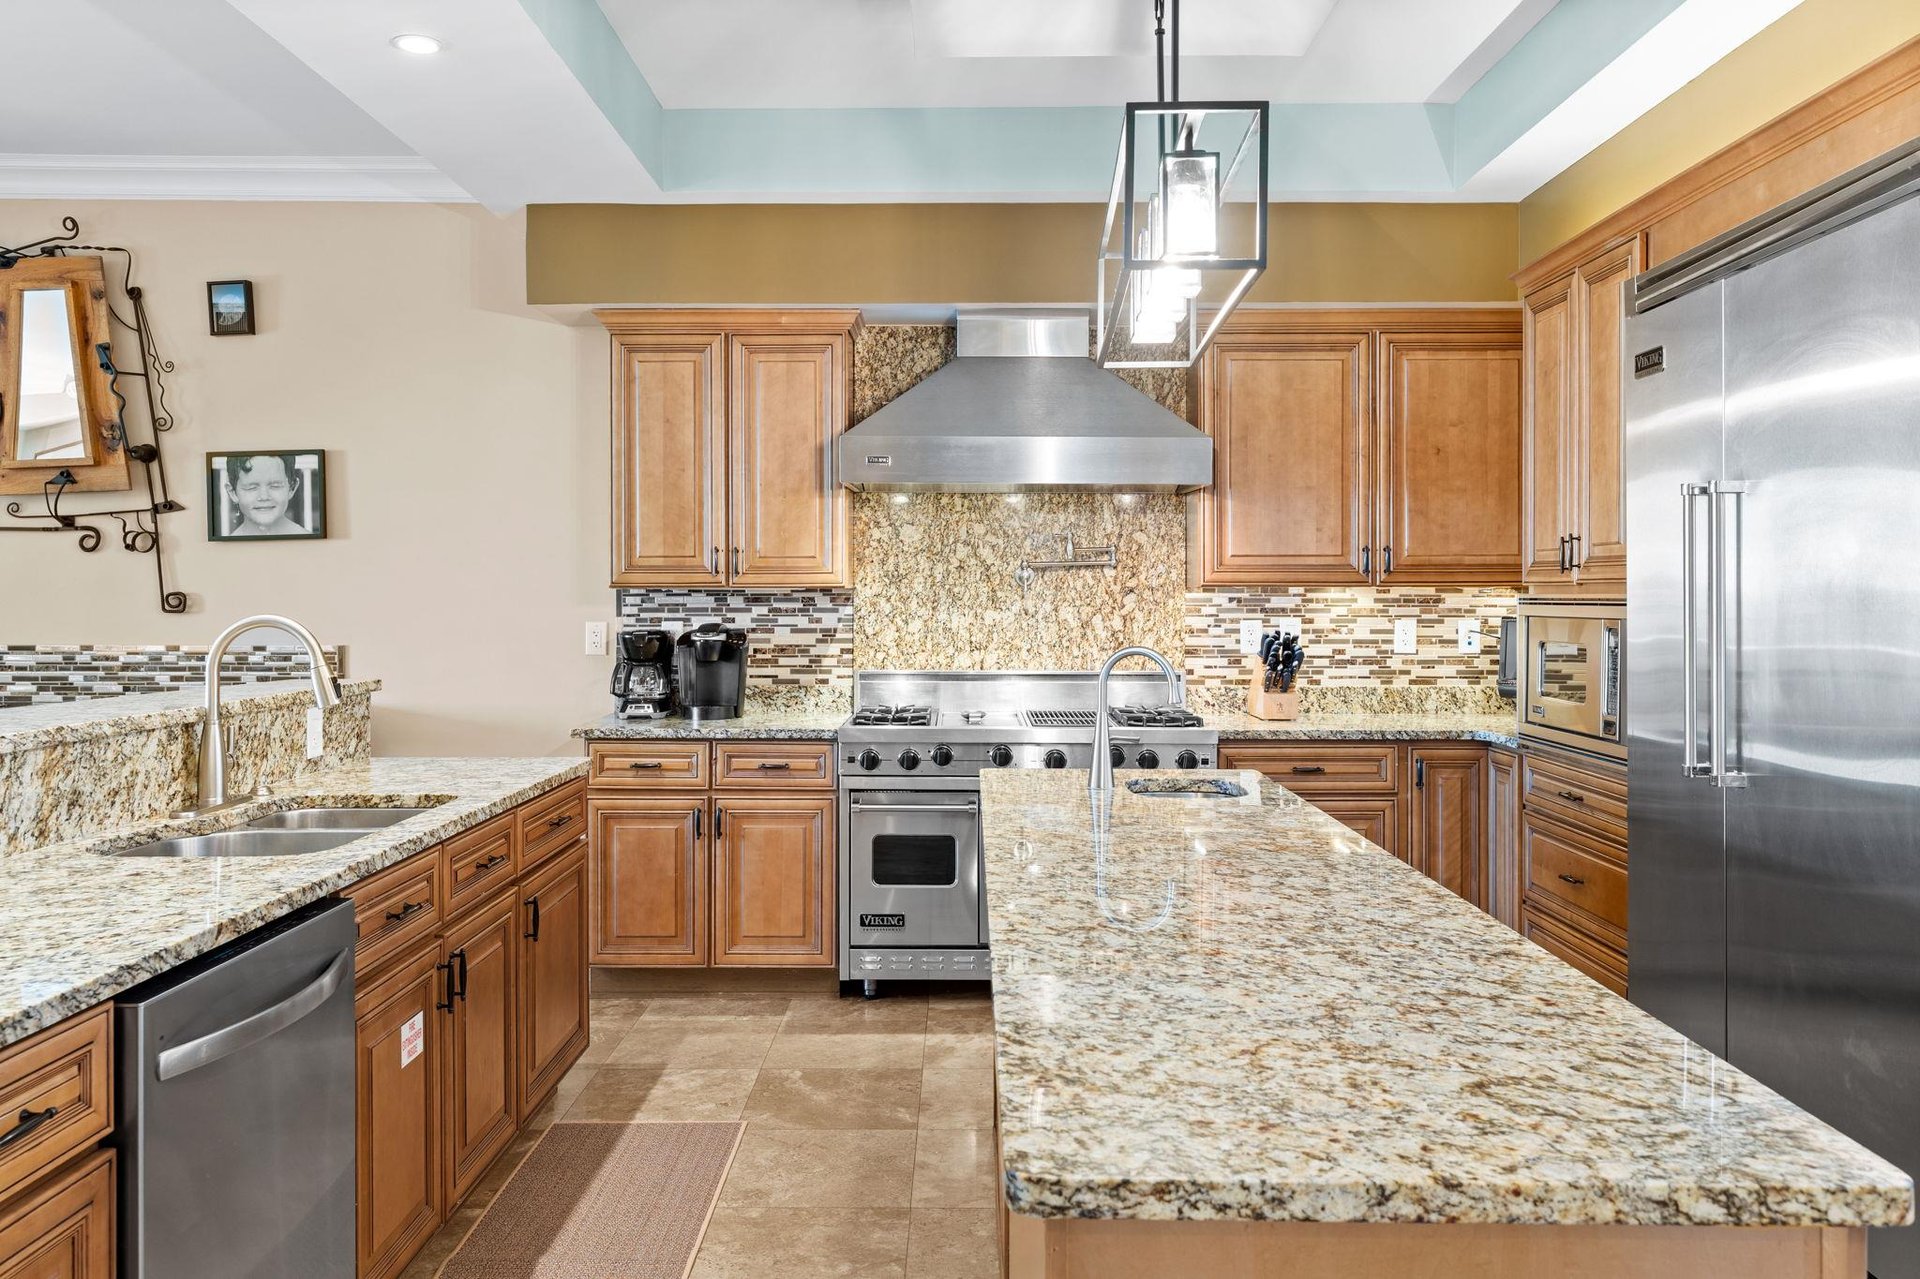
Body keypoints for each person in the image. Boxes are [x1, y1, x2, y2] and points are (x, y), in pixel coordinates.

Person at [220, 454, 308, 536]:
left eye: (275, 486)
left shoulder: (309, 544)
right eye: (251, 488)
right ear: (232, 492)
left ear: (291, 488)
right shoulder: (226, 549)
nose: (264, 497)